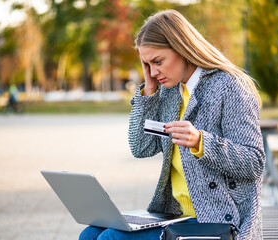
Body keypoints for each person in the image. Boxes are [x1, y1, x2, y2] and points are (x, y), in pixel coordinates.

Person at [80, 10, 265, 240]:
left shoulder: (229, 87)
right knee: (90, 233)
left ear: (182, 48)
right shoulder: (170, 91)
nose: (154, 72)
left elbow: (254, 162)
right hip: (176, 217)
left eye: (158, 62)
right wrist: (148, 92)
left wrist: (201, 142)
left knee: (110, 238)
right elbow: (141, 147)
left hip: (217, 221)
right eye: (147, 64)